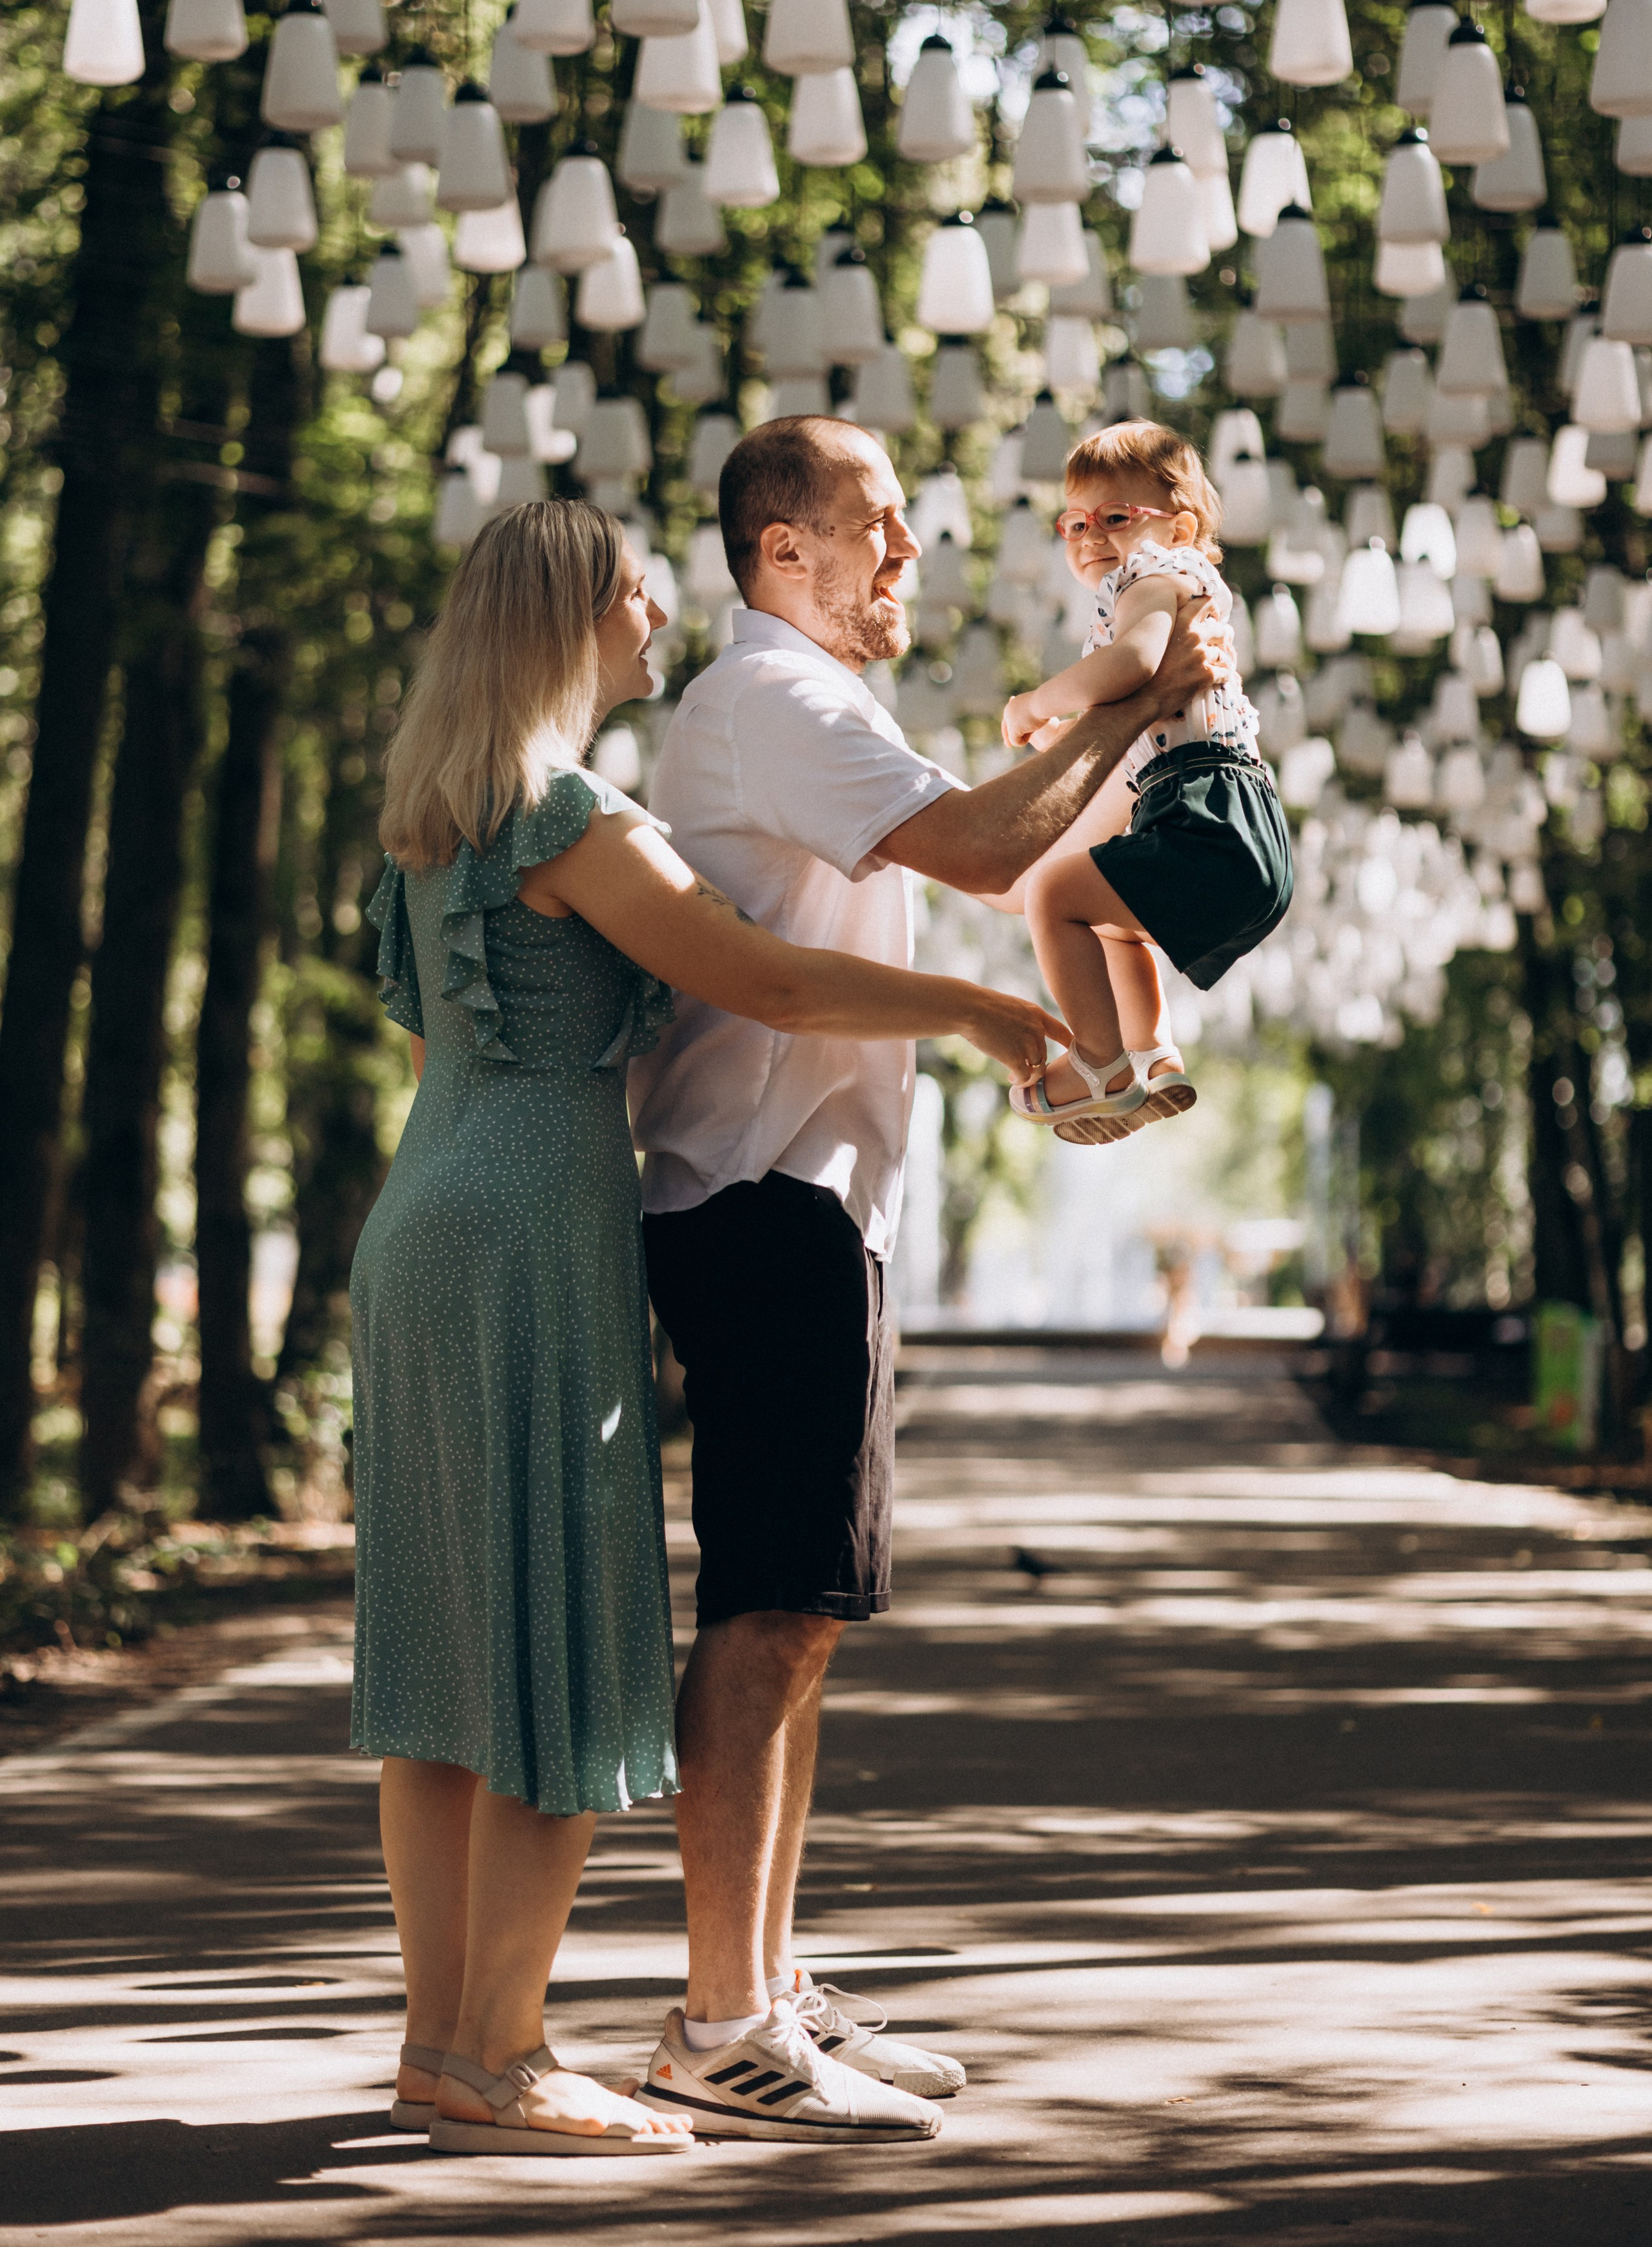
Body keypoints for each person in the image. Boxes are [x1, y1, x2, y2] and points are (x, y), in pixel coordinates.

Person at [350, 500, 1067, 2157]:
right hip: (534, 1220)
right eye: (635, 596)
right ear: (569, 619)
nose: (659, 618)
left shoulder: (426, 820)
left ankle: (438, 2043)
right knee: (548, 1636)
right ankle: (510, 2055)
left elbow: (431, 1059)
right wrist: (981, 1008)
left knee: (445, 1651)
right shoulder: (568, 814)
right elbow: (773, 980)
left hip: (422, 1218)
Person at [628, 415, 1234, 2140]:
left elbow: (969, 860)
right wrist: (1133, 680)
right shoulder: (775, 700)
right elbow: (981, 853)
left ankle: (764, 1977)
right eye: (873, 527)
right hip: (759, 1196)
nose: (908, 553)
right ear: (779, 555)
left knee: (806, 1613)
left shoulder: (809, 704)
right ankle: (720, 2016)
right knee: (769, 1606)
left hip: (810, 1199)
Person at [1000, 422, 1291, 1146]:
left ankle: (1099, 1061)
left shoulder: (1155, 576)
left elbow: (1131, 667)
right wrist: (1066, 739)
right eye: (1073, 522)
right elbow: (1132, 720)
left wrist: (1036, 702)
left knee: (1053, 893)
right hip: (1236, 831)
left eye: (1114, 518)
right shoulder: (1155, 597)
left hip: (1205, 813)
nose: (1088, 535)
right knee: (1102, 913)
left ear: (1179, 526)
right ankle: (1152, 1052)